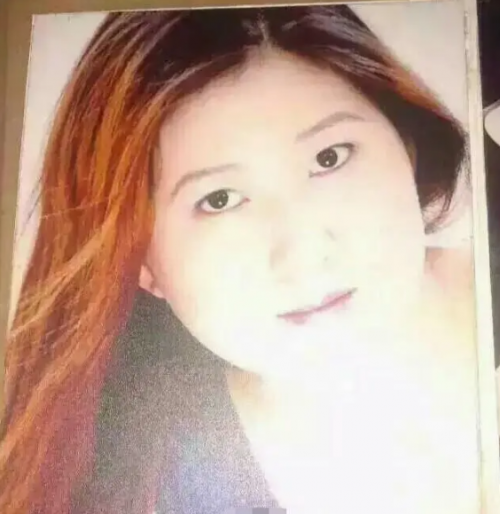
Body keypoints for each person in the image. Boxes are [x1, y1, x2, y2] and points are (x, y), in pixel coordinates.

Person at [0, 5, 478, 514]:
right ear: (142, 261)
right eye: (220, 199)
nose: (304, 253)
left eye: (329, 157)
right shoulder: (139, 488)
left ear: (406, 145)